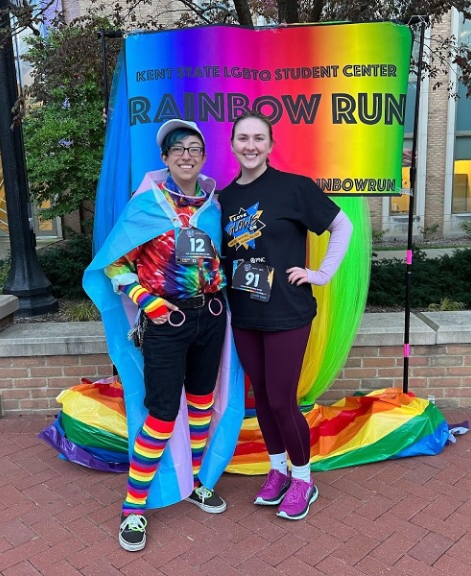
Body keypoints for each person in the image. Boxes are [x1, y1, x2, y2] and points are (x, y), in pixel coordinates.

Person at [99, 119, 230, 551]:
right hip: (166, 324)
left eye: (194, 148)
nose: (186, 155)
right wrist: (144, 299)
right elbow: (115, 263)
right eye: (178, 149)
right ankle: (133, 509)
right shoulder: (147, 206)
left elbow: (217, 259)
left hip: (210, 319)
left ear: (204, 156)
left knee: (201, 403)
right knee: (160, 414)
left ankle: (193, 482)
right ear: (165, 158)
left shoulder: (213, 205)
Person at [218, 110, 353, 521]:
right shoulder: (224, 199)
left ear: (271, 146)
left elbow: (341, 225)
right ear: (233, 145)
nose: (251, 145)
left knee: (281, 399)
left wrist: (321, 273)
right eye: (243, 138)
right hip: (244, 312)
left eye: (259, 138)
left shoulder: (294, 188)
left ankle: (303, 480)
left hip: (288, 312)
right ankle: (277, 471)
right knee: (261, 400)